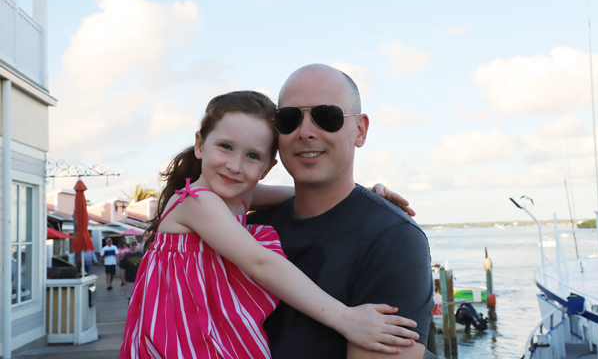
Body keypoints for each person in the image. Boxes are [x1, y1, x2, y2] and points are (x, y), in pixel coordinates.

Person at [120, 91, 418, 359]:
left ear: (267, 168)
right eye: (225, 146)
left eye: (253, 156)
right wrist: (345, 318)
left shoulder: (240, 195)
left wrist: (369, 195)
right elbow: (261, 262)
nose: (235, 165)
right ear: (200, 144)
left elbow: (315, 194)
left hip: (209, 324)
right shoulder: (197, 201)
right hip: (182, 332)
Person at [248, 64, 434, 359]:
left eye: (327, 116)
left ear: (360, 130)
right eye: (289, 118)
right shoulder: (248, 231)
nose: (305, 132)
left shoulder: (393, 239)